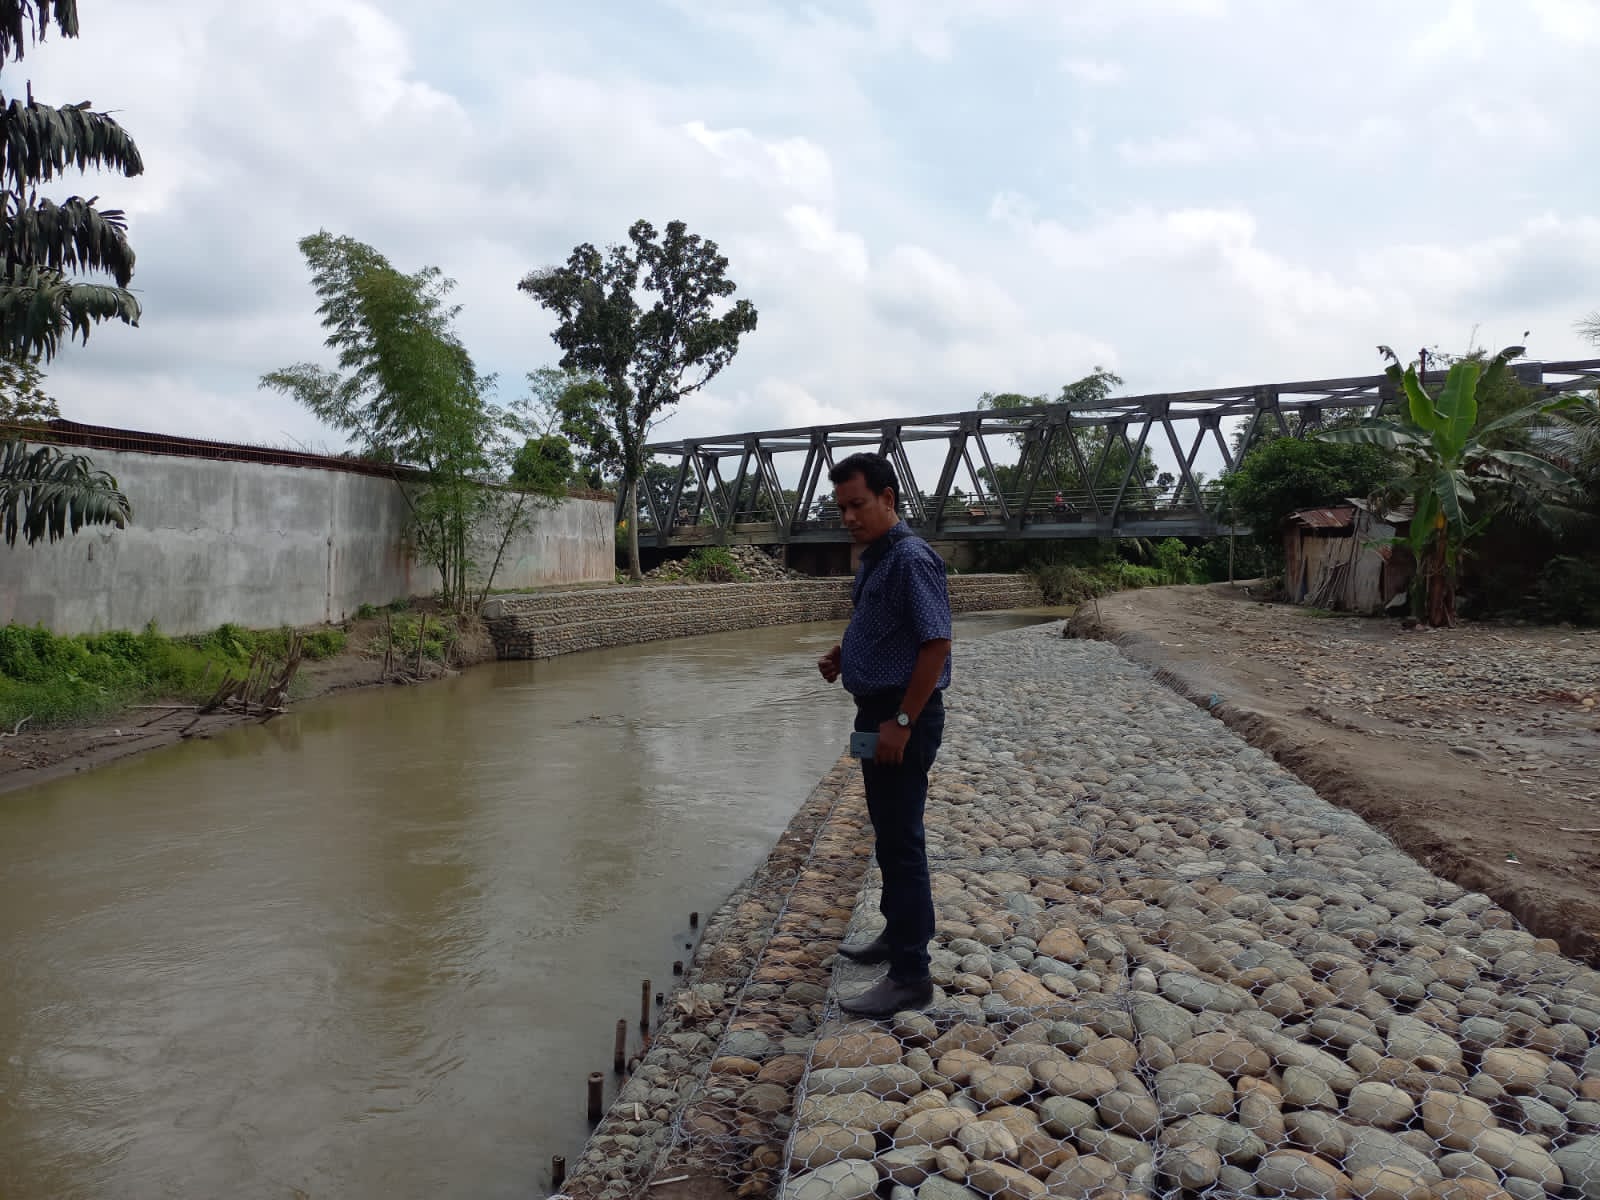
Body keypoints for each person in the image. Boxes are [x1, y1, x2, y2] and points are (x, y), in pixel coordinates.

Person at [816, 452, 952, 1017]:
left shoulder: (911, 559)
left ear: (888, 498)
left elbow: (935, 643)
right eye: (841, 507)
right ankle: (895, 938)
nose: (848, 516)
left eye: (857, 504)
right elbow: (876, 624)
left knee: (902, 842)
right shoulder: (874, 560)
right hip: (870, 718)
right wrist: (843, 654)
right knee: (884, 827)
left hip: (899, 721)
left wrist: (902, 721)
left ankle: (911, 975)